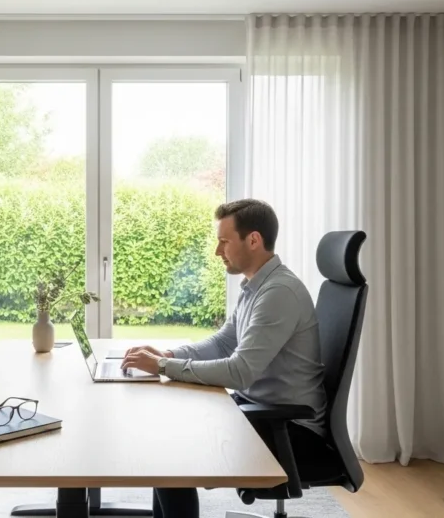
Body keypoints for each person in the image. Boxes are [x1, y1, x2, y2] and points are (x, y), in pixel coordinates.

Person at [121, 199, 328, 518]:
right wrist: (169, 354)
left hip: (287, 431)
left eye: (224, 241)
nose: (218, 251)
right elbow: (223, 343)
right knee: (165, 436)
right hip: (259, 413)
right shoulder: (256, 286)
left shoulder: (278, 293)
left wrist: (163, 367)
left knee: (167, 451)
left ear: (254, 240)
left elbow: (239, 371)